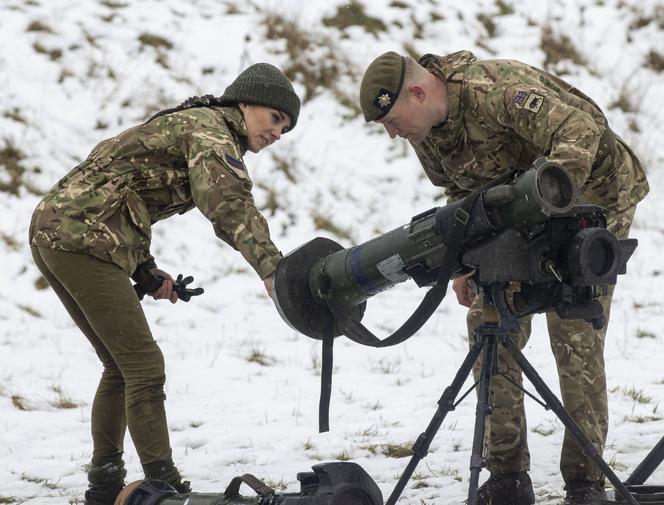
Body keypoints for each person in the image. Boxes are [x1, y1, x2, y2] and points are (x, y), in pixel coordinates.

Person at [359, 50, 648, 505]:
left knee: (573, 330)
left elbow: (581, 131)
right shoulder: (426, 130)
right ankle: (508, 475)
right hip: (522, 211)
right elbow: (462, 191)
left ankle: (584, 481)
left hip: (593, 191)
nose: (394, 133)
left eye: (393, 120)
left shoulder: (491, 91)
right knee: (489, 321)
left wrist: (550, 208)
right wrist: (468, 259)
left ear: (418, 92)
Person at [29, 62, 300, 505]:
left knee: (120, 367)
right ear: (246, 102)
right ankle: (165, 485)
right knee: (144, 369)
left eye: (285, 129)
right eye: (275, 118)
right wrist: (272, 268)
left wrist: (146, 272)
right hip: (83, 238)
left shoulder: (192, 124)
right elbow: (227, 203)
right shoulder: (212, 131)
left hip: (60, 232)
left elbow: (119, 191)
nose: (276, 134)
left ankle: (104, 485)